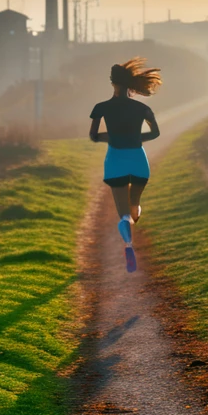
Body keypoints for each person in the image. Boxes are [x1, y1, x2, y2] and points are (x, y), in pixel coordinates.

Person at [89, 57, 162, 273]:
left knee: (123, 214)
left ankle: (128, 246)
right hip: (138, 160)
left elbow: (94, 136)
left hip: (115, 160)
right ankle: (135, 213)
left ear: (112, 83)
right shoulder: (142, 109)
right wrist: (135, 139)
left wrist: (112, 137)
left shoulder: (100, 108)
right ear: (130, 83)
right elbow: (156, 133)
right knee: (135, 206)